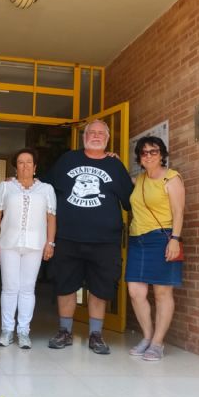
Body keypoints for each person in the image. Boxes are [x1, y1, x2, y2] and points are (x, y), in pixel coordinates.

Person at [45, 119, 133, 354]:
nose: (95, 136)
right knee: (65, 285)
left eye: (100, 133)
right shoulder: (67, 160)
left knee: (100, 288)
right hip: (68, 238)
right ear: (84, 137)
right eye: (91, 132)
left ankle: (96, 335)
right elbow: (45, 190)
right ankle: (65, 331)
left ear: (107, 139)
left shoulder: (116, 166)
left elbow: (130, 200)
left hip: (105, 241)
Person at [125, 136, 185, 361]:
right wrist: (110, 158)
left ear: (162, 154)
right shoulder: (138, 179)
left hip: (162, 239)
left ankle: (158, 343)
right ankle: (148, 337)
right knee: (136, 292)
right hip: (137, 240)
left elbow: (179, 212)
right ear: (139, 158)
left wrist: (175, 239)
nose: (149, 155)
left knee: (162, 292)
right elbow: (119, 179)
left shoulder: (172, 178)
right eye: (144, 152)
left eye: (154, 151)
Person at [0, 148, 56, 349]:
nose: (25, 165)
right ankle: (7, 330)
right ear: (15, 166)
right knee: (10, 287)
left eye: (29, 162)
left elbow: (51, 218)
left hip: (35, 245)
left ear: (35, 167)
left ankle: (24, 332)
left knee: (27, 289)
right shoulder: (6, 187)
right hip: (8, 243)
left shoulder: (46, 189)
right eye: (21, 162)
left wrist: (50, 242)